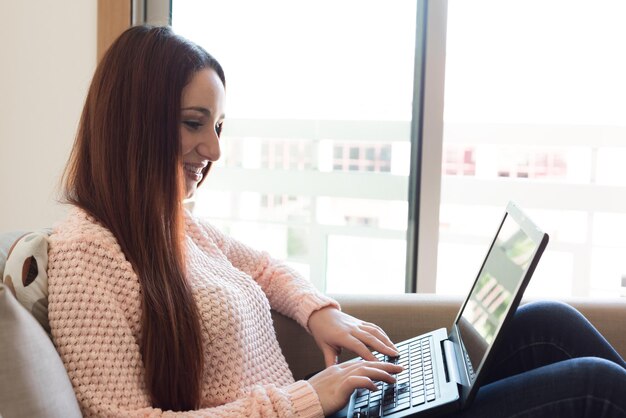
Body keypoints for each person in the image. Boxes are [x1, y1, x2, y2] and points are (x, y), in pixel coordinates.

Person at [47, 25, 626, 418]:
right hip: (313, 413)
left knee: (549, 320)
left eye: (218, 127)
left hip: (330, 410)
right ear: (132, 122)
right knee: (596, 388)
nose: (214, 150)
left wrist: (320, 311)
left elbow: (267, 269)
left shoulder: (171, 224)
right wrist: (307, 399)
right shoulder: (83, 251)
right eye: (195, 123)